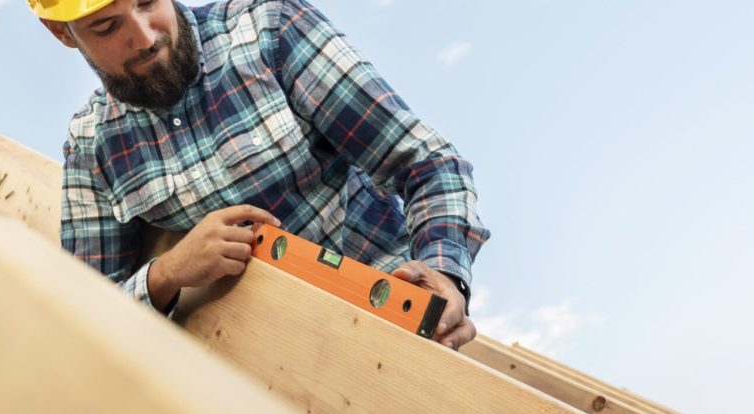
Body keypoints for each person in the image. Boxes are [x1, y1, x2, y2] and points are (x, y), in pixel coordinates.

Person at [31, 0, 489, 349]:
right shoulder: (92, 147)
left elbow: (426, 163)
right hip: (268, 366)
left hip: (395, 320)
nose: (146, 37)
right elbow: (88, 312)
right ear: (61, 33)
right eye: (107, 27)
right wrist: (167, 273)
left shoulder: (269, 31)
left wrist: (446, 274)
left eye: (148, 1)